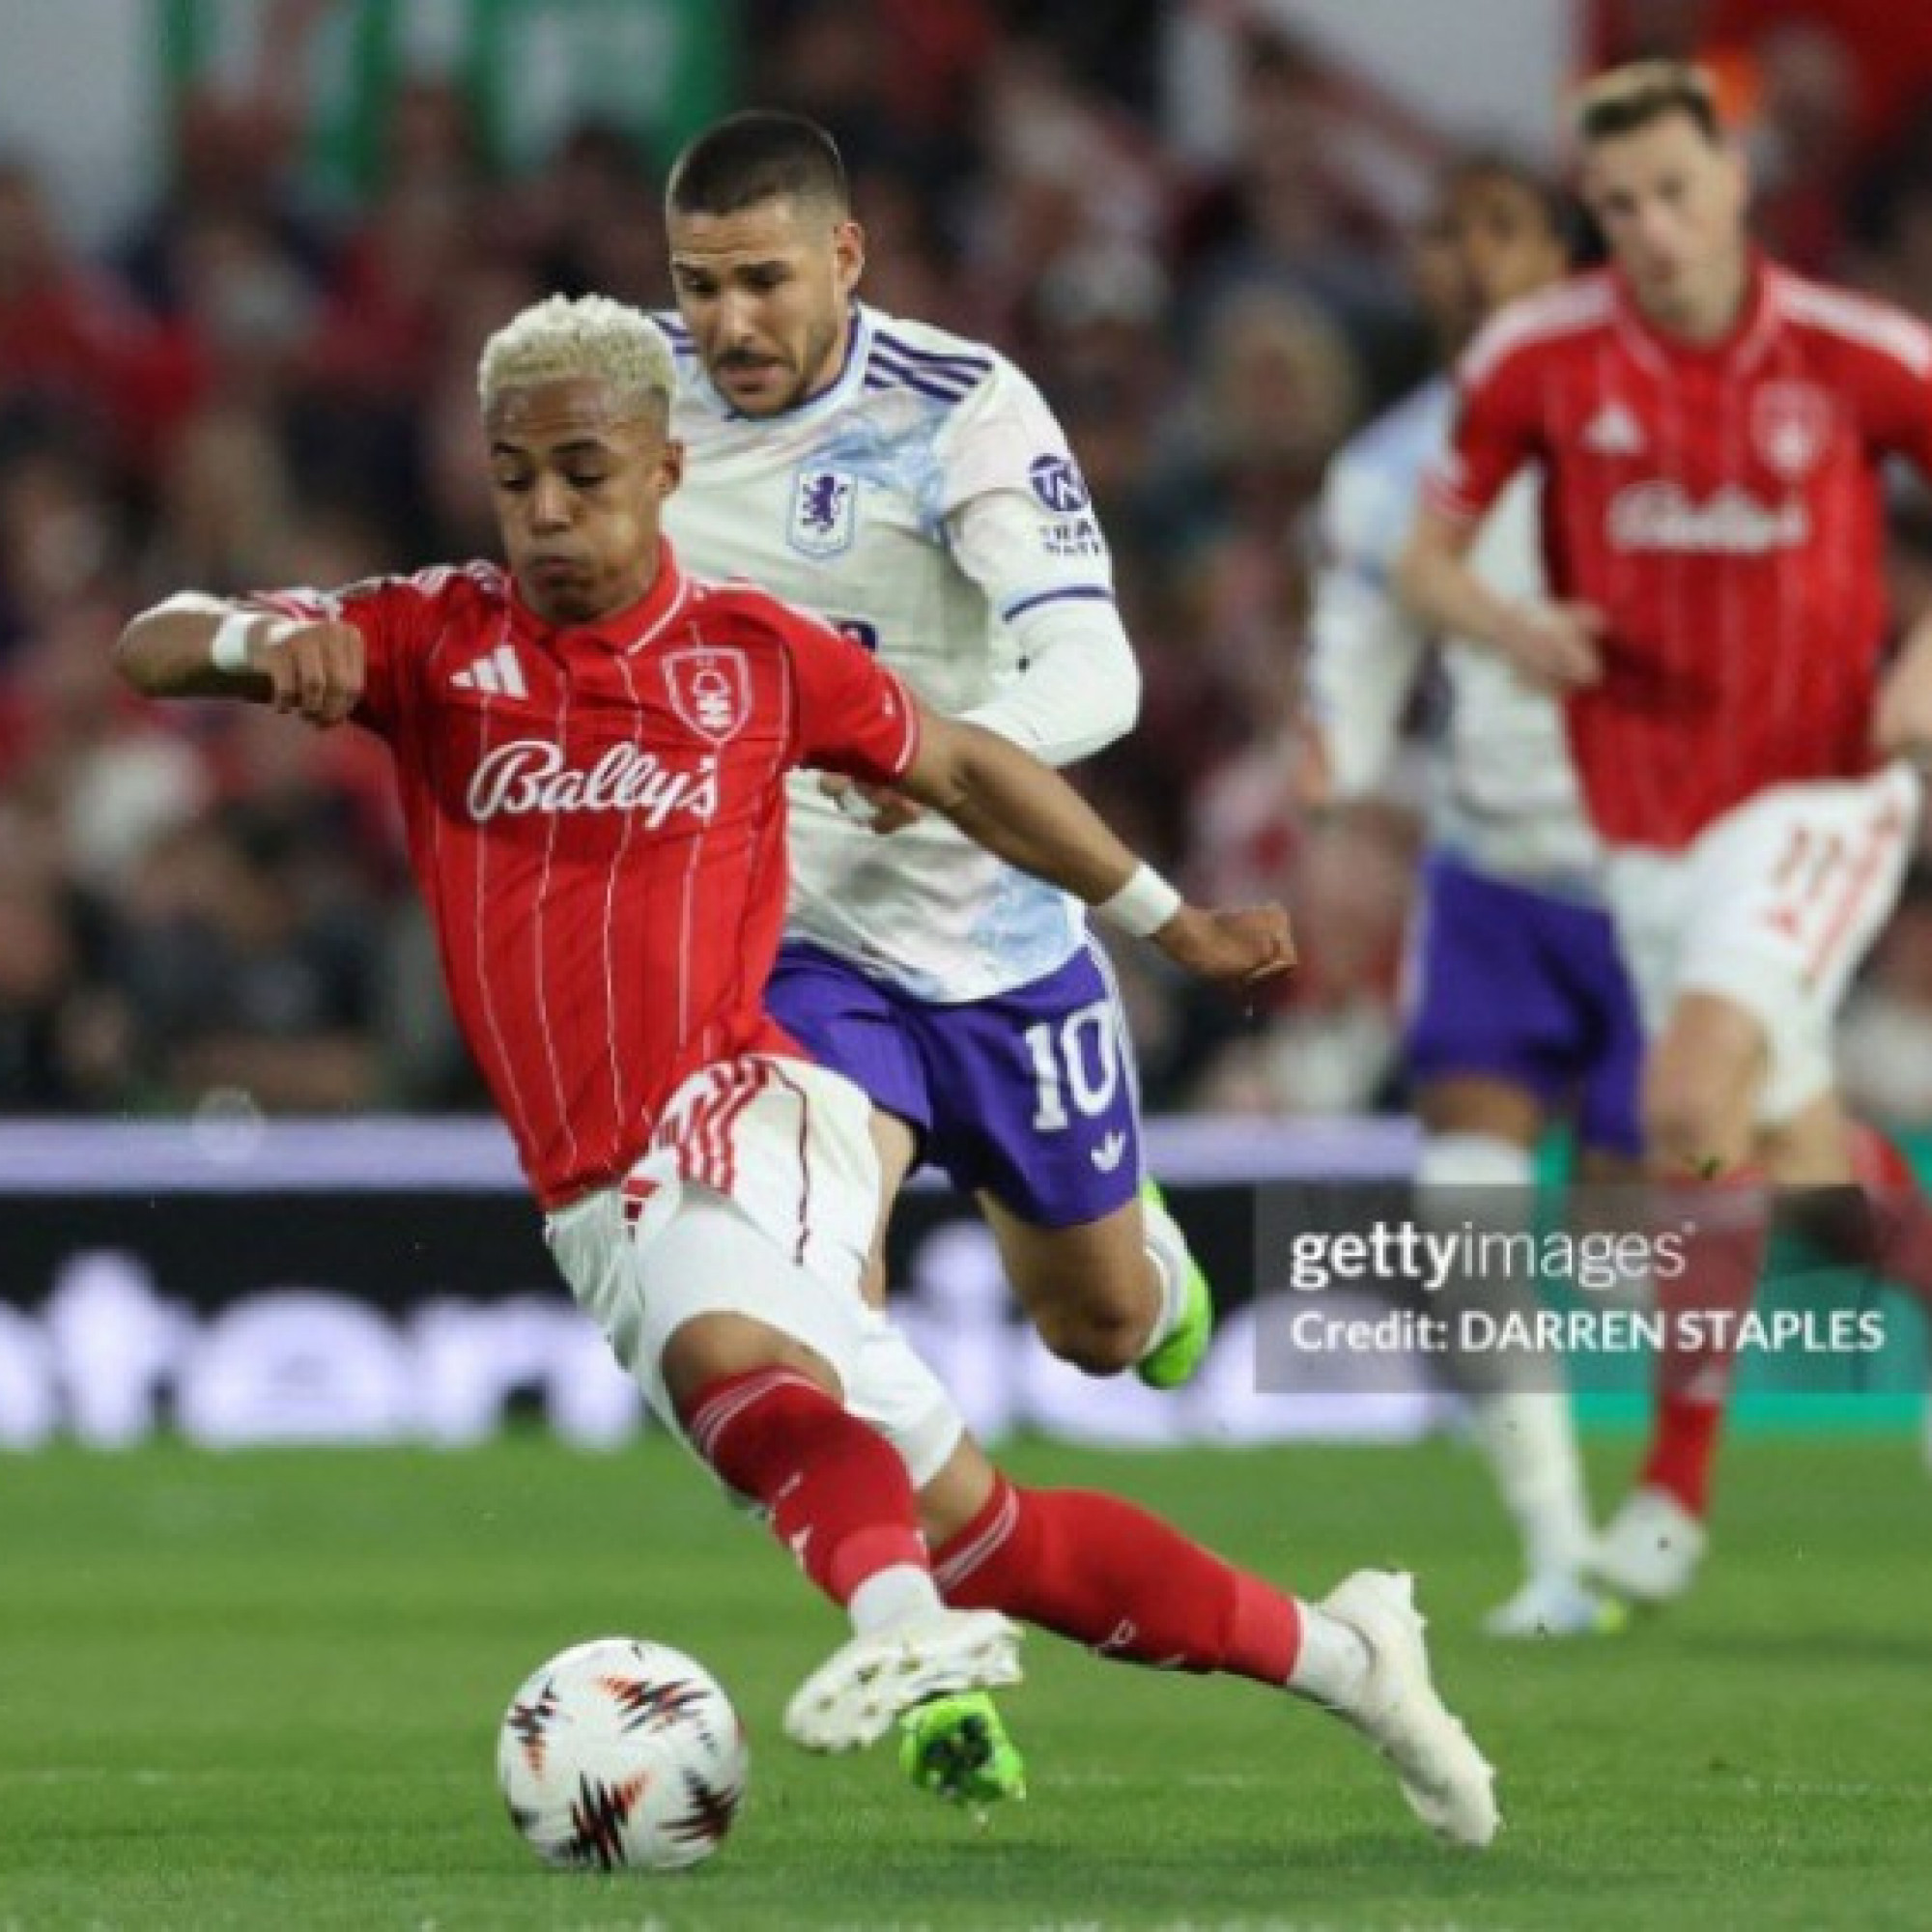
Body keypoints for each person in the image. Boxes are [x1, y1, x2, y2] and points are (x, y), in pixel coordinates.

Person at [114, 293, 1498, 1845]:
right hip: (590, 1198)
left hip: (743, 1100)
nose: (550, 511)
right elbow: (148, 640)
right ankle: (1353, 1656)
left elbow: (972, 767)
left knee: (731, 1357)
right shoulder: (430, 637)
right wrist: (258, 640)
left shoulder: (750, 659)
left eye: (586, 470)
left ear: (666, 466)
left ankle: (896, 1642)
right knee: (994, 1538)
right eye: (518, 479)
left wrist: (1166, 924)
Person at [1399, 60, 1932, 1609]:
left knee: (1683, 1105)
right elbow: (1428, 567)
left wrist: (1920, 661)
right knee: (1785, 1157)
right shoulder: (1540, 360)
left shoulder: (1848, 352)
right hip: (1640, 823)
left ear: (1737, 185)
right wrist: (1509, 620)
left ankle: (1670, 1500)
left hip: (1821, 791)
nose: (1650, 226)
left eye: (1675, 192)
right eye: (1618, 203)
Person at [652, 110, 1214, 1395]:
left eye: (762, 280)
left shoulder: (959, 414)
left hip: (988, 933)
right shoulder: (636, 402)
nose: (727, 324)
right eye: (697, 286)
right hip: (783, 936)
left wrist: (941, 754)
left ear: (846, 256)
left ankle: (1152, 1254)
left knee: (1103, 1329)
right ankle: (904, 1591)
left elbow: (1097, 676)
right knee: (817, 1282)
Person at [1306, 153, 1638, 1639]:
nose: (1463, 259)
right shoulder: (1381, 472)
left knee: (1655, 1262)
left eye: (1493, 230)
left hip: (1661, 877)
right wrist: (1334, 780)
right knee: (1467, 1211)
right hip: (1492, 871)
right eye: (1441, 230)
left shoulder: (1644, 423)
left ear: (1559, 259)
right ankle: (1561, 1558)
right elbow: (1357, 673)